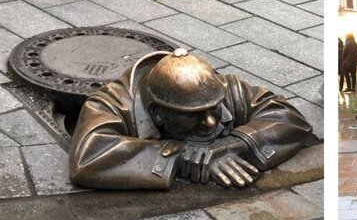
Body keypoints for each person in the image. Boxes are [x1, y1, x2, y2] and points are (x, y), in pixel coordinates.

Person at [69, 49, 314, 190]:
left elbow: (290, 117)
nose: (209, 122)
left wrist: (229, 146)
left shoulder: (222, 89)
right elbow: (88, 156)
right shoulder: (110, 103)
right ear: (157, 114)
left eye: (213, 110)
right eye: (192, 116)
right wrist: (179, 154)